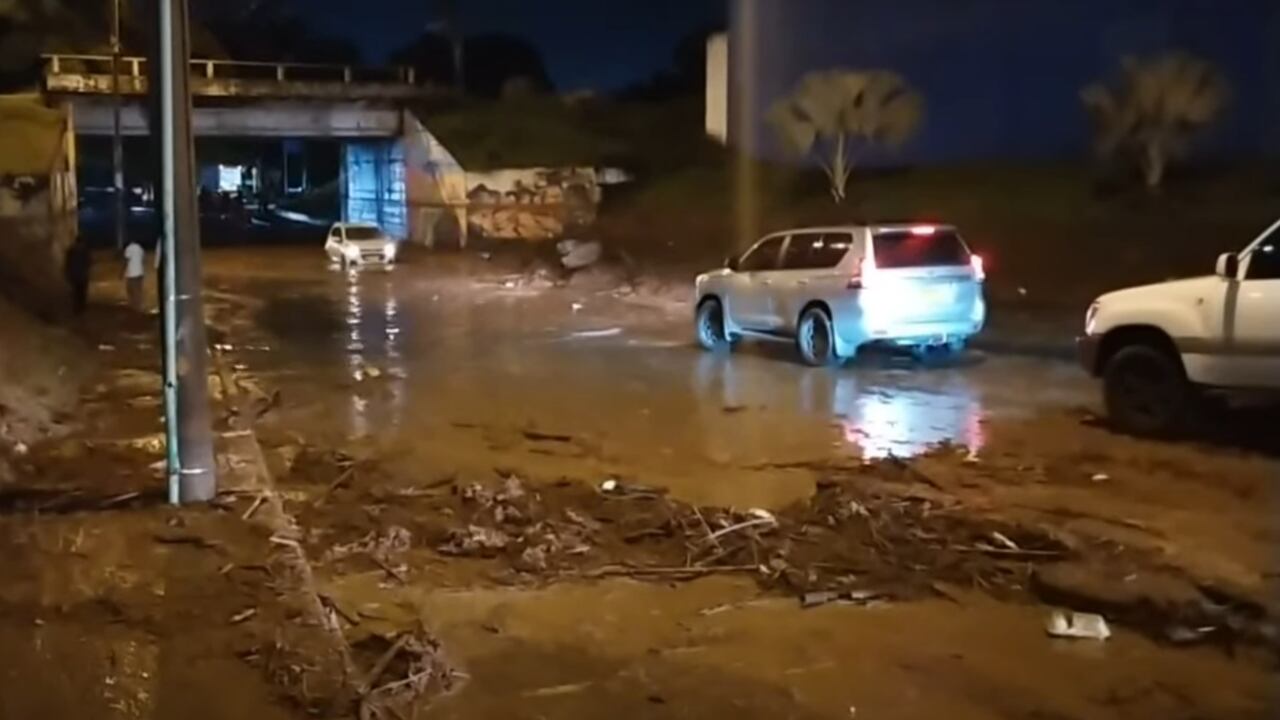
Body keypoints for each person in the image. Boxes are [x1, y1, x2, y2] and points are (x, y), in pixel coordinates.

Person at [63, 239, 91, 315]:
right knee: (80, 292)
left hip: (77, 275)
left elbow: (67, 263)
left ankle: (78, 307)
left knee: (78, 292)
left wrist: (67, 273)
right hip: (80, 275)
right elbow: (88, 263)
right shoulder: (84, 251)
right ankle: (80, 307)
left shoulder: (71, 251)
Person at [123, 239, 145, 311]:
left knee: (131, 291)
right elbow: (142, 259)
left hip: (132, 273)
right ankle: (139, 306)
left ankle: (134, 307)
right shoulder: (140, 248)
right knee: (138, 290)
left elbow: (126, 260)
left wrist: (122, 271)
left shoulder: (129, 248)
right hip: (140, 272)